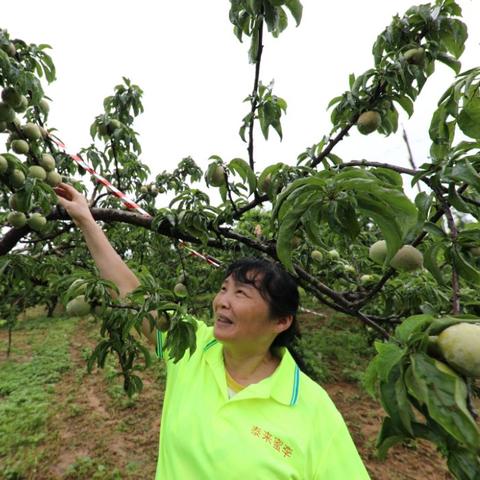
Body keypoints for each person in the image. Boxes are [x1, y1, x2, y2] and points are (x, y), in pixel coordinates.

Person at [55, 183, 371, 479]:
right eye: (224, 289)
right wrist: (86, 220)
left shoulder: (311, 408)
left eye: (241, 294)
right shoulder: (190, 345)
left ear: (281, 321)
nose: (222, 302)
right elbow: (129, 291)